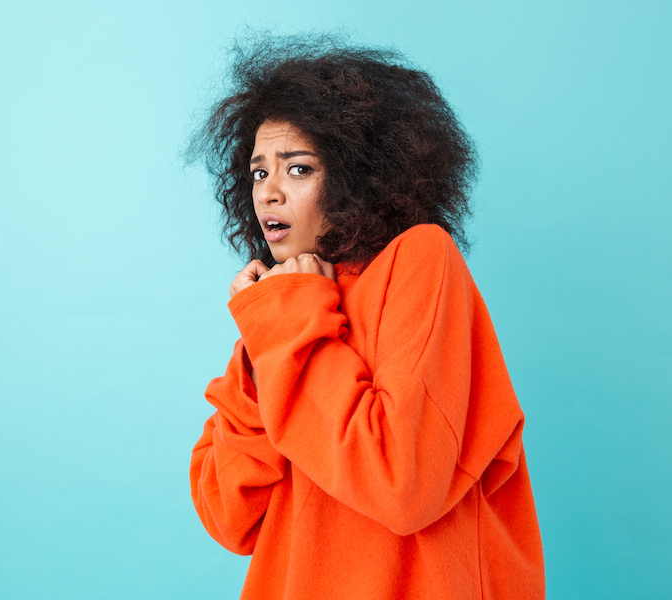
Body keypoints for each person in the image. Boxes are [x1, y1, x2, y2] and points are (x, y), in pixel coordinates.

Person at [187, 33, 545, 600]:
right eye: (258, 173)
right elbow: (228, 515)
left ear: (358, 174)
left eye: (298, 169)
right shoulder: (280, 314)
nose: (269, 193)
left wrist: (288, 325)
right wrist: (269, 331)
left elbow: (402, 485)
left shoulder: (420, 259)